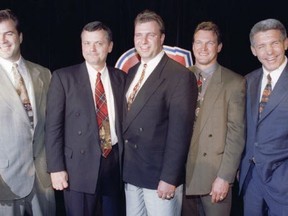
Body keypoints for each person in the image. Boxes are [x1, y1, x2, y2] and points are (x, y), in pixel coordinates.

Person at [45, 21, 126, 216]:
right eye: (86, 43)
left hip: (113, 164)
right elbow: (53, 127)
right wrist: (56, 168)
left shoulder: (121, 78)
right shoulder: (63, 78)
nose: (92, 49)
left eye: (98, 43)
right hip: (77, 169)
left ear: (110, 46)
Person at [122, 10, 198, 216]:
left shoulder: (180, 76)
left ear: (162, 38)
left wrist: (169, 178)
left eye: (150, 35)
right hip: (132, 172)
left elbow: (180, 133)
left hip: (159, 178)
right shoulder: (131, 73)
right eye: (139, 35)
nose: (143, 41)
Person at [182, 21, 245, 216]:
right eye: (198, 42)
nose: (203, 48)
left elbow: (236, 135)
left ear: (219, 47)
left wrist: (225, 177)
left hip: (214, 178)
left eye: (209, 43)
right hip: (182, 176)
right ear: (192, 46)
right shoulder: (180, 77)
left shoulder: (234, 82)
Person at [0, 9, 55, 216]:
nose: (3, 41)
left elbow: (52, 126)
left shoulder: (43, 73)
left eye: (8, 33)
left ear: (20, 37)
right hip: (4, 181)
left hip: (43, 178)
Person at [239, 18, 288, 216]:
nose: (269, 52)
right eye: (261, 46)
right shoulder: (248, 81)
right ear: (253, 50)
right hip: (251, 181)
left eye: (274, 43)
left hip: (283, 182)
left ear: (285, 43)